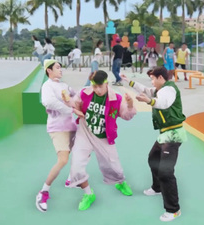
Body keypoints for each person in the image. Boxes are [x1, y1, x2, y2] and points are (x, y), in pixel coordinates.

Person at [62, 70, 137, 211]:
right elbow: (74, 102)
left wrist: (131, 105)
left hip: (104, 136)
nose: (97, 89)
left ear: (106, 83)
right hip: (85, 133)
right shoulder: (85, 92)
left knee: (114, 165)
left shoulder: (117, 98)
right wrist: (67, 100)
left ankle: (120, 182)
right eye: (94, 86)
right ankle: (88, 194)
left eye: (99, 86)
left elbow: (127, 115)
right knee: (76, 166)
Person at [121, 66, 187, 222]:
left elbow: (163, 103)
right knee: (153, 158)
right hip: (165, 134)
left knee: (165, 171)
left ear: (161, 78)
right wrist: (128, 81)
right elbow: (144, 89)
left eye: (152, 78)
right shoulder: (159, 89)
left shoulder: (169, 90)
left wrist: (148, 101)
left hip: (173, 134)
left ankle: (173, 209)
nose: (151, 81)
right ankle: (157, 188)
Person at [35, 59, 78, 212]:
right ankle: (43, 192)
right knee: (63, 160)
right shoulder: (47, 86)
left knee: (79, 152)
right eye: (58, 68)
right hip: (58, 128)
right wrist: (70, 109)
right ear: (49, 70)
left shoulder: (64, 85)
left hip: (72, 126)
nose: (61, 70)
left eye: (61, 68)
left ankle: (71, 179)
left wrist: (74, 101)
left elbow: (75, 97)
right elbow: (49, 102)